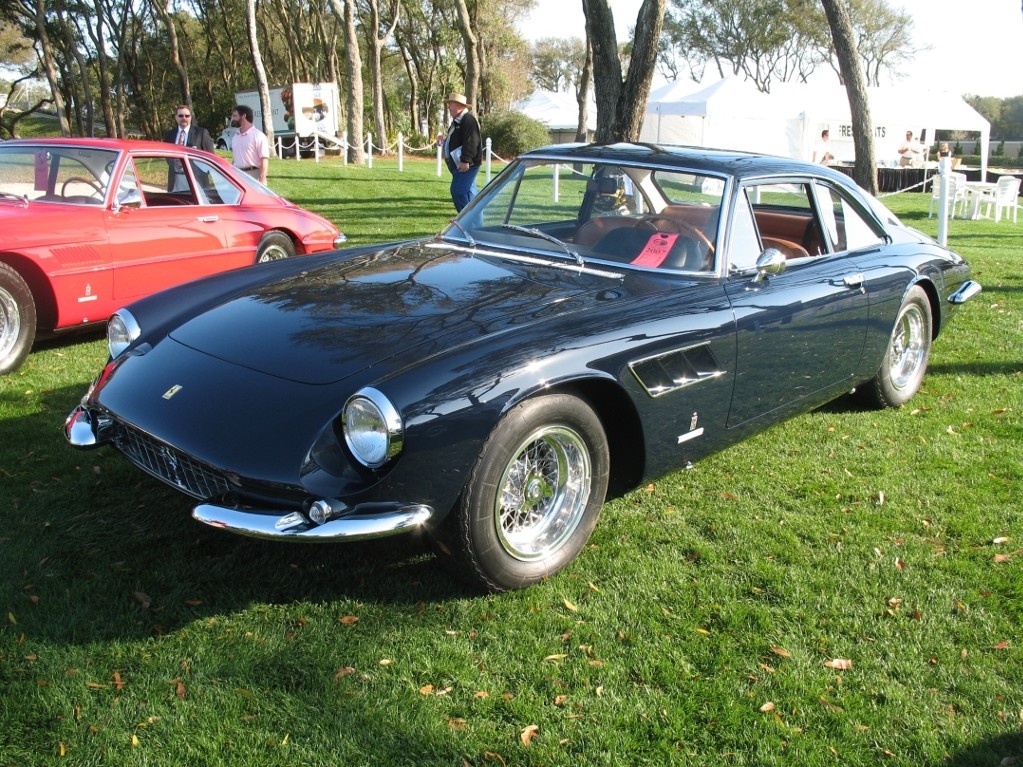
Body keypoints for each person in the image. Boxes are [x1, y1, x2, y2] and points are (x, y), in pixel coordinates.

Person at [442, 92, 482, 212]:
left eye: (451, 104)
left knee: (458, 191)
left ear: (460, 106)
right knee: (470, 195)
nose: (449, 107)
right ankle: (475, 224)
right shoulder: (458, 121)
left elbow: (471, 141)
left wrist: (465, 160)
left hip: (466, 166)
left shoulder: (467, 120)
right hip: (460, 165)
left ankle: (465, 222)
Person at [163, 105, 214, 191]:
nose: (184, 118)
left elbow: (210, 157)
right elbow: (167, 157)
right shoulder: (169, 135)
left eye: (187, 116)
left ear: (191, 117)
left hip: (197, 181)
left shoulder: (201, 133)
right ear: (176, 117)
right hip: (176, 181)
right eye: (181, 116)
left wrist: (202, 173)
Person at [230, 104, 270, 185]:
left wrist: (262, 180)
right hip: (238, 176)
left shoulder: (258, 136)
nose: (232, 119)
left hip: (253, 175)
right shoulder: (235, 137)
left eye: (235, 116)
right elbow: (236, 159)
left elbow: (264, 160)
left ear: (244, 116)